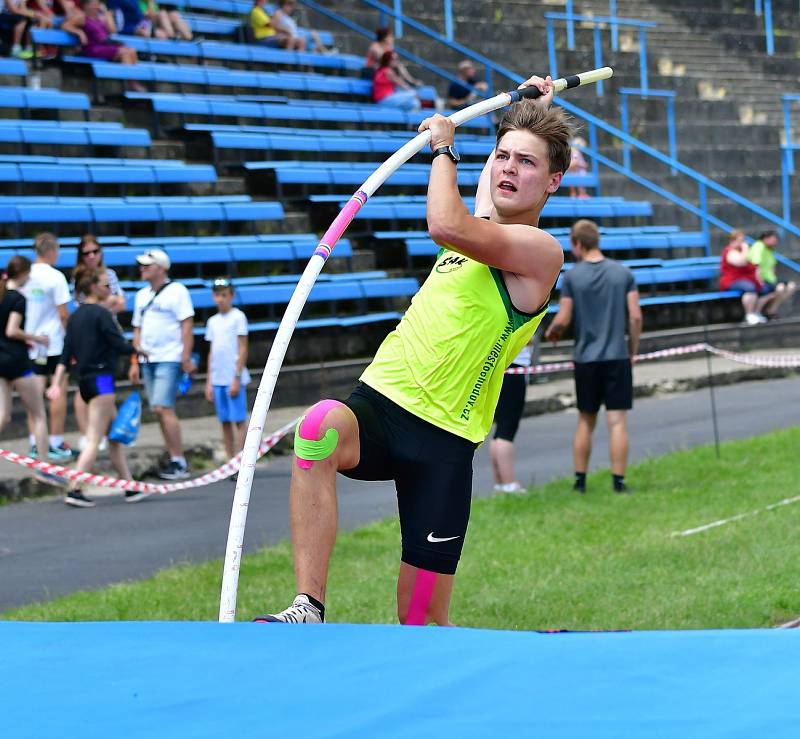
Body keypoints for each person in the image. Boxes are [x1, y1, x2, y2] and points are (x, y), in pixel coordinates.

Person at [254, 75, 567, 626]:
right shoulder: (484, 224)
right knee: (318, 426)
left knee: (421, 623)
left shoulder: (539, 252)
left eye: (527, 163)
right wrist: (535, 108)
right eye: (502, 156)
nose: (509, 168)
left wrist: (444, 145)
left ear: (554, 182)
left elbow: (444, 222)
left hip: (441, 443)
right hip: (380, 402)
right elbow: (472, 208)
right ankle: (308, 605)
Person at [545, 219, 642, 494]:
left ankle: (580, 481)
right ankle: (618, 482)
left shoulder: (573, 277)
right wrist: (632, 349)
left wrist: (554, 331)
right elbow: (635, 317)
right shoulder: (623, 273)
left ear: (577, 243)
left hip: (586, 359)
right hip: (616, 356)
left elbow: (564, 317)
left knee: (586, 420)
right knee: (617, 421)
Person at [46, 268, 143, 508]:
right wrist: (138, 350)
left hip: (85, 382)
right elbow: (117, 343)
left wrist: (57, 383)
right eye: (105, 285)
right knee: (94, 438)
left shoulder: (75, 317)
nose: (110, 290)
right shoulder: (101, 314)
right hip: (102, 380)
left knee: (113, 438)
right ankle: (75, 487)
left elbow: (65, 354)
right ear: (93, 288)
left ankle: (129, 485)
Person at [129, 248, 195, 480]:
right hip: (148, 359)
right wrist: (135, 360)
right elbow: (137, 329)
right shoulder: (141, 295)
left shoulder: (177, 291)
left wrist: (185, 357)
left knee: (162, 407)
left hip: (169, 356)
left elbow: (186, 325)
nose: (142, 268)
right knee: (158, 409)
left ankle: (179, 459)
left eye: (148, 265)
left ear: (161, 267)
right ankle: (173, 455)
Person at [20, 232, 74, 461]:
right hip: (53, 343)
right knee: (57, 391)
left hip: (30, 343)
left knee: (33, 395)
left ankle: (35, 443)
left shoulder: (24, 276)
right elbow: (63, 314)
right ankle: (55, 441)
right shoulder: (56, 277)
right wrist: (71, 339)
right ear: (51, 251)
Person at [70, 234, 126, 452]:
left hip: (106, 340)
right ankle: (90, 436)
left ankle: (109, 435)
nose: (92, 256)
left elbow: (120, 302)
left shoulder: (108, 274)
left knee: (106, 388)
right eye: (87, 253)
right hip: (89, 341)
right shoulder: (79, 278)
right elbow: (79, 311)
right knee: (88, 386)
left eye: (95, 251)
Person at [0, 256, 51, 471]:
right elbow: (12, 331)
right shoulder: (17, 298)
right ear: (22, 274)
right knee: (38, 413)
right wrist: (36, 338)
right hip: (17, 362)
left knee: (3, 414)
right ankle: (45, 466)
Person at [204, 278, 250, 462]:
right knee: (224, 421)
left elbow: (243, 348)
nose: (220, 299)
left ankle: (241, 458)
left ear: (231, 296)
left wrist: (237, 376)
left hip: (232, 375)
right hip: (218, 377)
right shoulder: (212, 321)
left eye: (224, 295)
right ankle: (230, 459)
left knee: (239, 419)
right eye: (217, 295)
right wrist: (209, 380)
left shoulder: (238, 317)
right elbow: (212, 352)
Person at [63, 0, 144, 91]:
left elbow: (113, 31)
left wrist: (107, 15)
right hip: (92, 48)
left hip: (105, 46)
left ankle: (134, 81)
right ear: (86, 5)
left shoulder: (100, 18)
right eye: (93, 4)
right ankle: (130, 85)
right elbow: (66, 25)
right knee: (124, 52)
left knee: (131, 50)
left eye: (97, 4)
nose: (96, 7)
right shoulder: (82, 17)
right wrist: (79, 32)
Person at [489, 343, 533, 494]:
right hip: (513, 364)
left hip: (500, 364)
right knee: (506, 430)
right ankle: (509, 483)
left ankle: (501, 483)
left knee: (500, 429)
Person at [718, 230, 768, 326]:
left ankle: (756, 312)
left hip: (745, 278)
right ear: (732, 240)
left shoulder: (740, 251)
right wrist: (745, 249)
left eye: (743, 240)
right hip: (731, 280)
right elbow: (741, 262)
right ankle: (749, 314)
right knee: (750, 288)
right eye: (740, 240)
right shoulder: (729, 251)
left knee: (765, 289)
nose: (742, 243)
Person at [748, 229, 797, 320]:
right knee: (779, 288)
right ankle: (759, 312)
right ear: (766, 238)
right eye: (773, 239)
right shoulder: (758, 246)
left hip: (771, 279)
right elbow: (755, 266)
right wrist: (760, 282)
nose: (775, 242)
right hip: (760, 279)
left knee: (791, 286)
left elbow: (772, 267)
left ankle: (771, 310)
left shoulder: (770, 249)